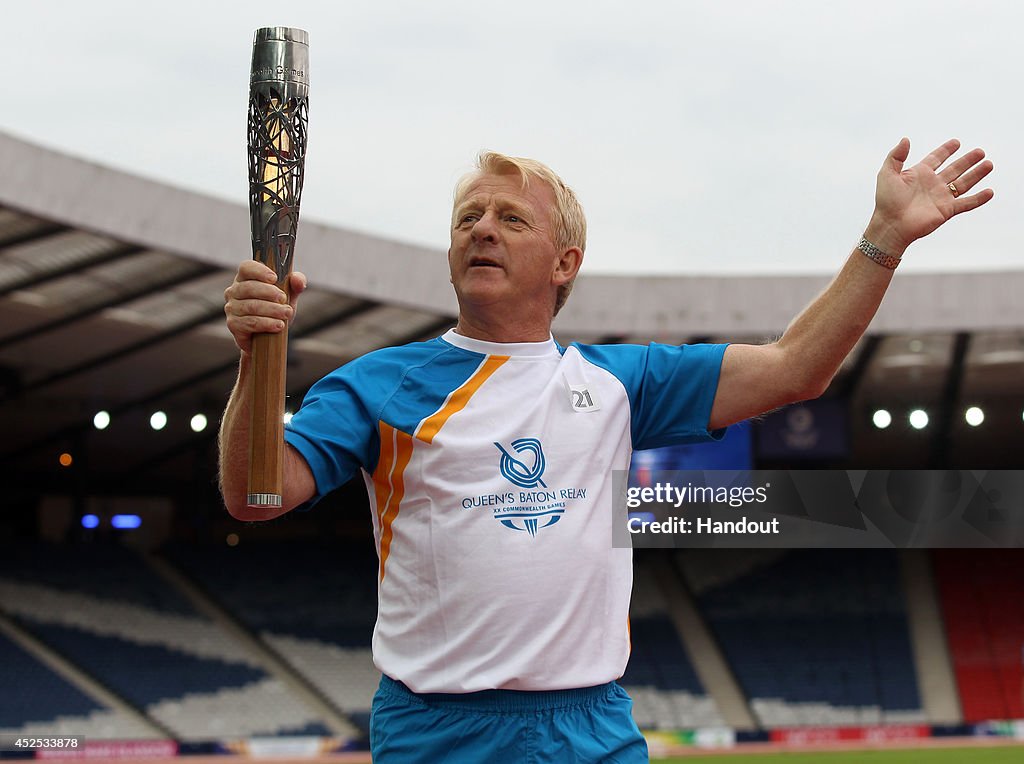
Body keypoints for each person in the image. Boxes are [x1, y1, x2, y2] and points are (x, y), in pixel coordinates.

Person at [220, 138, 993, 762]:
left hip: (592, 730)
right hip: (439, 734)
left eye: (511, 219)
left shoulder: (622, 382)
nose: (482, 228)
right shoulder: (382, 383)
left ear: (565, 263)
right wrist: (258, 357)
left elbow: (796, 369)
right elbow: (255, 496)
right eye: (469, 216)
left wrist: (884, 238)